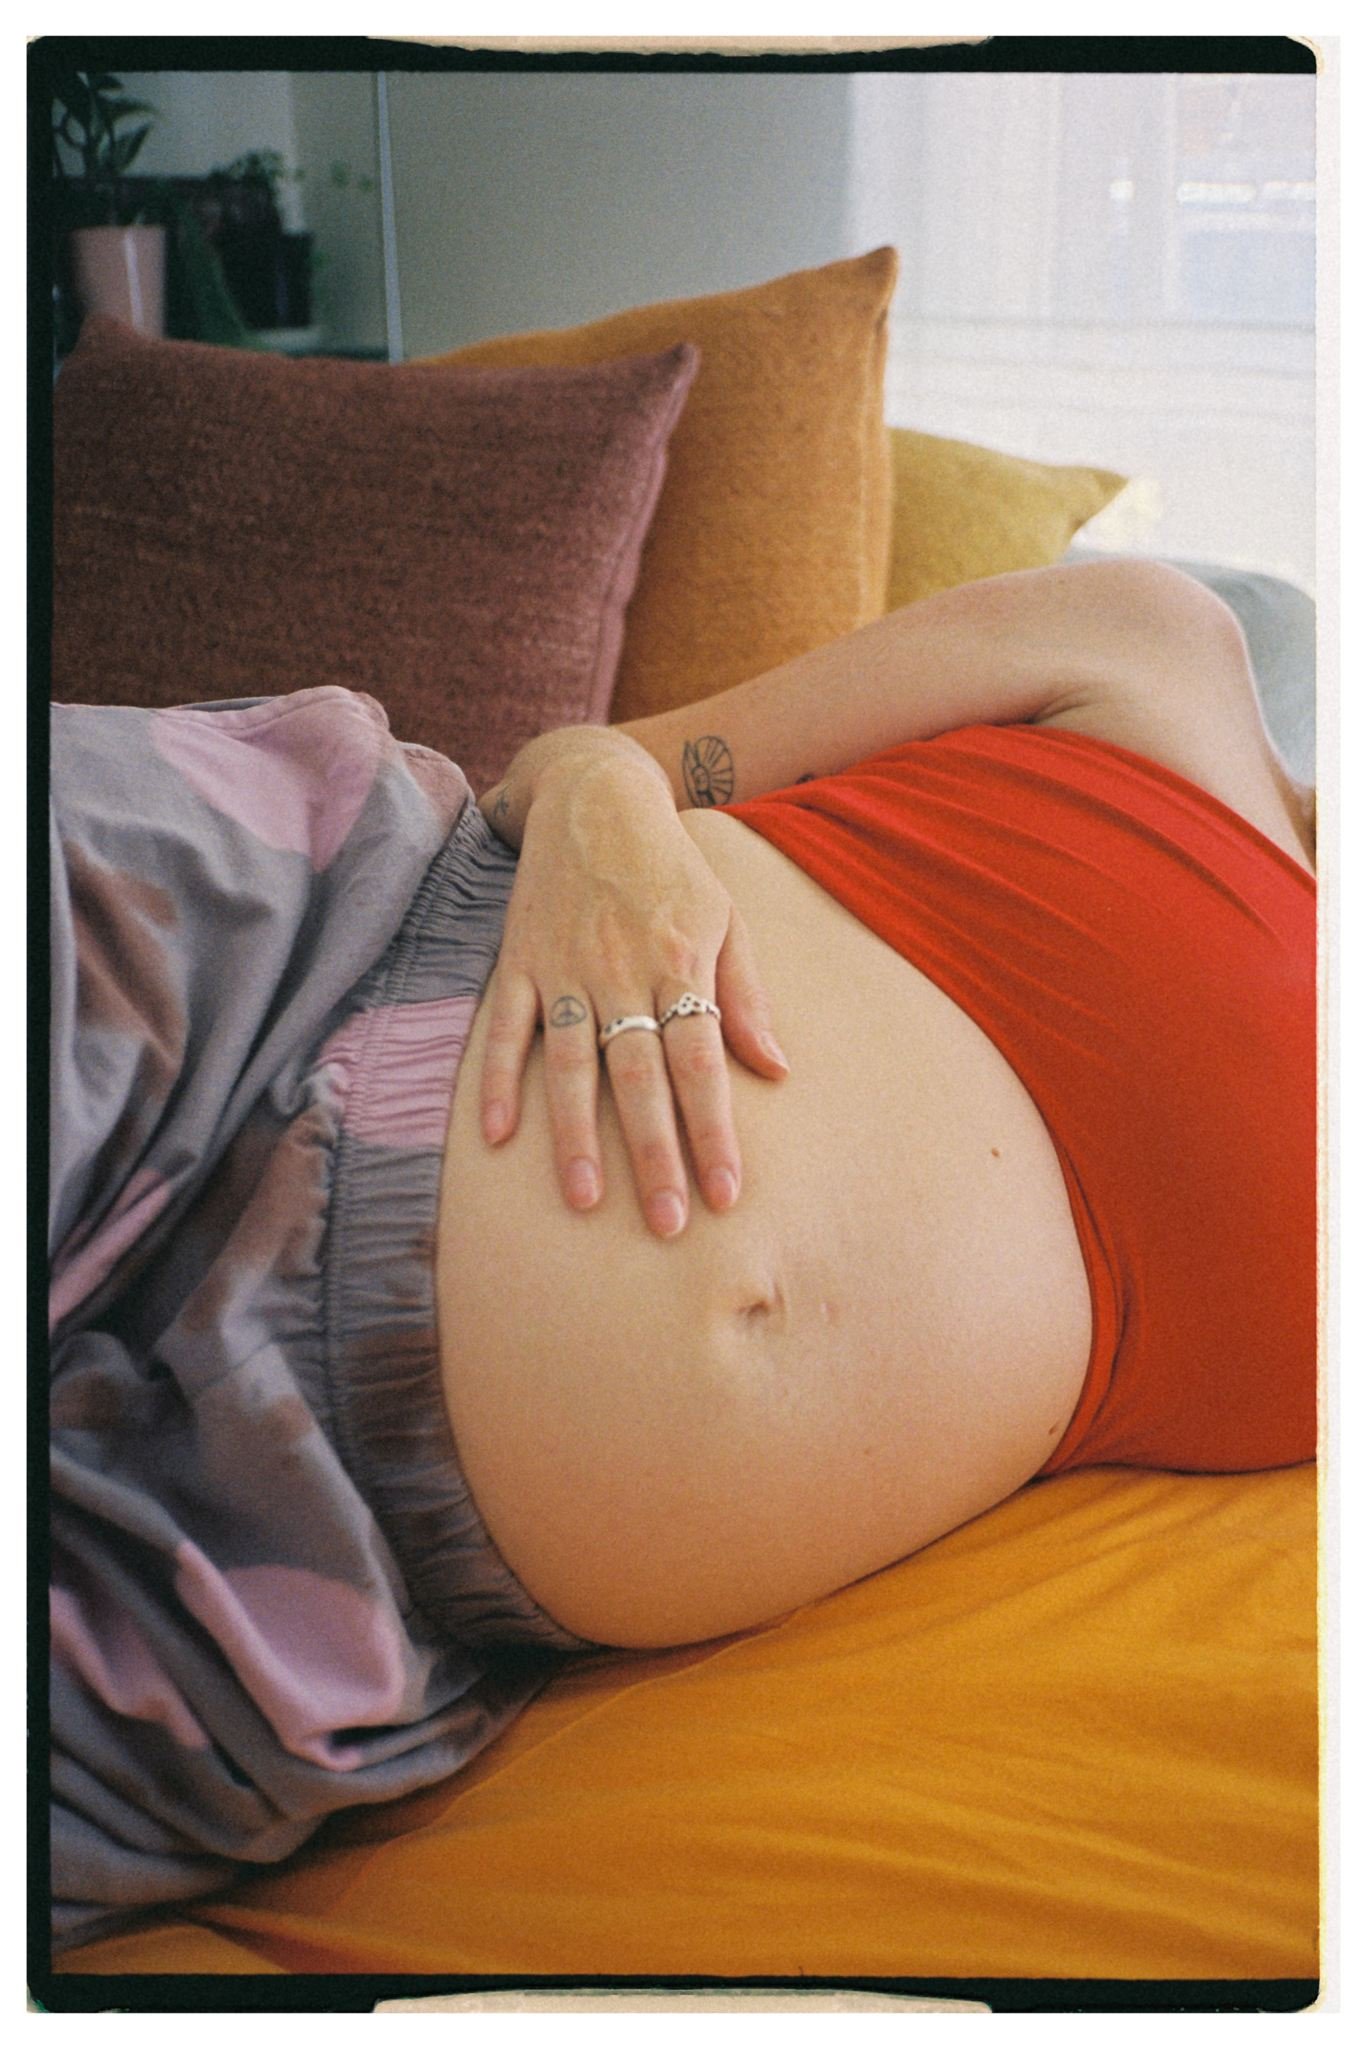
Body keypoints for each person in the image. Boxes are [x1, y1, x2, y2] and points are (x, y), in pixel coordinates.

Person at [48, 559, 1315, 1949]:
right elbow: (590, 764)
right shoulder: (1152, 648)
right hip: (301, 953)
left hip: (320, 1573)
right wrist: (610, 812)